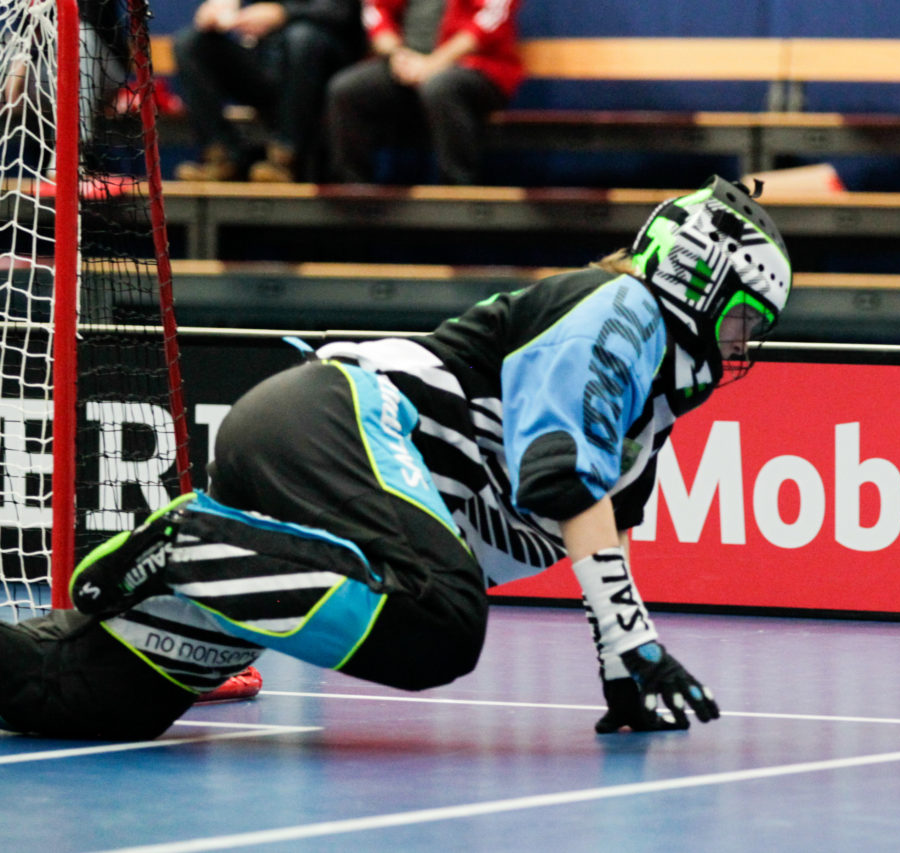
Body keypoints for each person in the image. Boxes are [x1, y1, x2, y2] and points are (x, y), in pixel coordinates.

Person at [0, 176, 792, 740]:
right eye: (745, 321)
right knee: (443, 621)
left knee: (81, 695)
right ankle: (187, 548)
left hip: (304, 508)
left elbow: (600, 540)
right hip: (329, 424)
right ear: (700, 280)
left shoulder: (642, 426)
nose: (741, 348)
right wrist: (636, 643)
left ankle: (194, 558)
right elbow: (558, 470)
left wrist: (626, 676)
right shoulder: (623, 309)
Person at [326, 0, 522, 185]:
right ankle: (355, 194)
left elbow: (492, 17)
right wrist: (396, 55)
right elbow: (377, 10)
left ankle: (458, 191)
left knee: (441, 87)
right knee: (347, 90)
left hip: (474, 66)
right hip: (407, 63)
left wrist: (434, 63)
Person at [173, 0, 365, 182]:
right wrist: (220, 8)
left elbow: (341, 12)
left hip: (325, 71)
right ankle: (223, 157)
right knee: (191, 43)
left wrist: (283, 13)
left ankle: (286, 160)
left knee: (301, 38)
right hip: (269, 63)